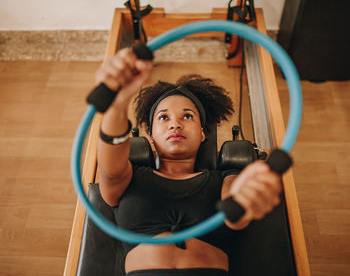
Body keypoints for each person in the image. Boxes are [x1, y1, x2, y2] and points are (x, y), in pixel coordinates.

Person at [95, 48, 282, 276]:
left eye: (187, 116)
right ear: (151, 135)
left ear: (203, 134)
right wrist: (117, 104)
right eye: (163, 117)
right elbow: (110, 168)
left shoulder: (226, 178)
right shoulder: (128, 177)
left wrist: (248, 198)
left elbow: (238, 211)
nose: (175, 124)